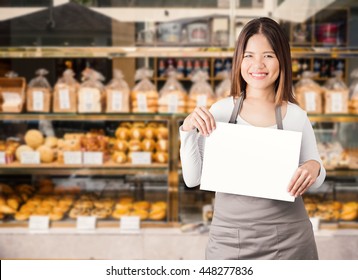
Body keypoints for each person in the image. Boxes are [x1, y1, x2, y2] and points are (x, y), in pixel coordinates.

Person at [179, 17, 326, 260]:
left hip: (290, 241)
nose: (258, 64)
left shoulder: (295, 116)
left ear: (282, 60)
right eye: (249, 56)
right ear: (239, 60)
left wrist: (313, 166)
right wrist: (187, 131)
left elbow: (318, 179)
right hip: (229, 240)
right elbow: (193, 179)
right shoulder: (221, 112)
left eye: (268, 55)